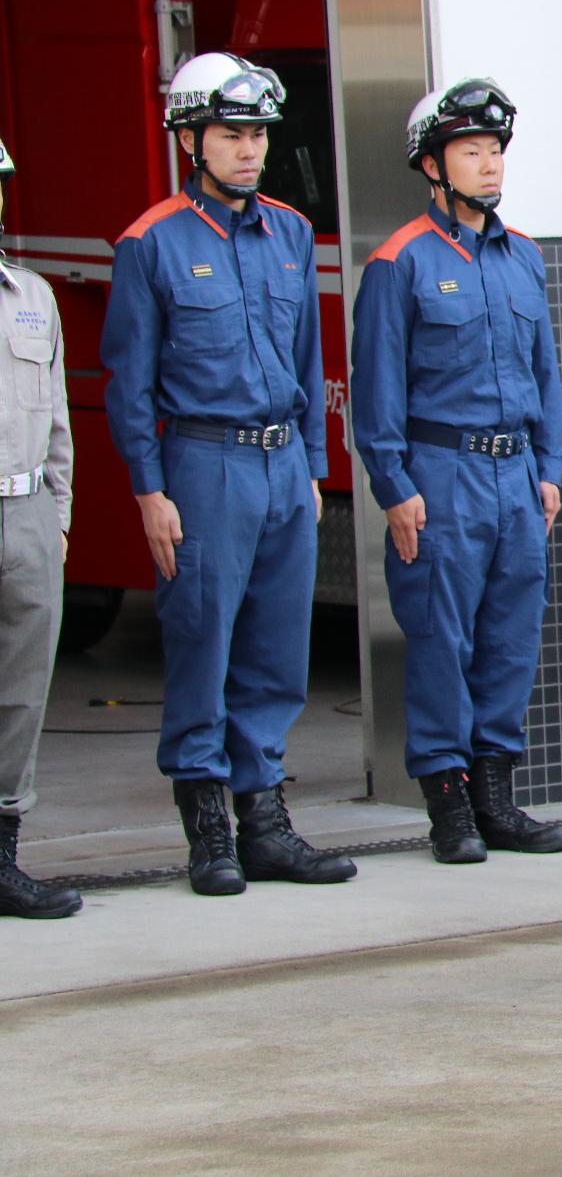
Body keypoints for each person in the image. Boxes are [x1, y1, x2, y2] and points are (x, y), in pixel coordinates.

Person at [102, 52, 355, 894]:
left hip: (284, 461)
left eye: (257, 135)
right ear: (190, 139)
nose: (250, 150)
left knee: (276, 650)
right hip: (202, 463)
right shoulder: (151, 242)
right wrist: (149, 490)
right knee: (203, 641)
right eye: (231, 135)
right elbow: (129, 380)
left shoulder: (287, 230)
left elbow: (306, 352)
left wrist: (315, 469)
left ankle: (265, 820)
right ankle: (209, 829)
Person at [350, 78, 562, 866]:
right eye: (471, 151)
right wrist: (394, 486)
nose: (489, 165)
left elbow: (548, 373)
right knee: (441, 638)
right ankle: (447, 805)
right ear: (433, 165)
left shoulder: (525, 259)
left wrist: (550, 467)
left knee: (509, 638)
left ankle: (496, 796)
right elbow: (376, 391)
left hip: (515, 477)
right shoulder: (398, 263)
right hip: (440, 474)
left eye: (495, 151)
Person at [0, 136, 82, 919]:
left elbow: (56, 421)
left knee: (22, 693)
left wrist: (54, 520)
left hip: (24, 514)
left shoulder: (32, 296)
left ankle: (3, 856)